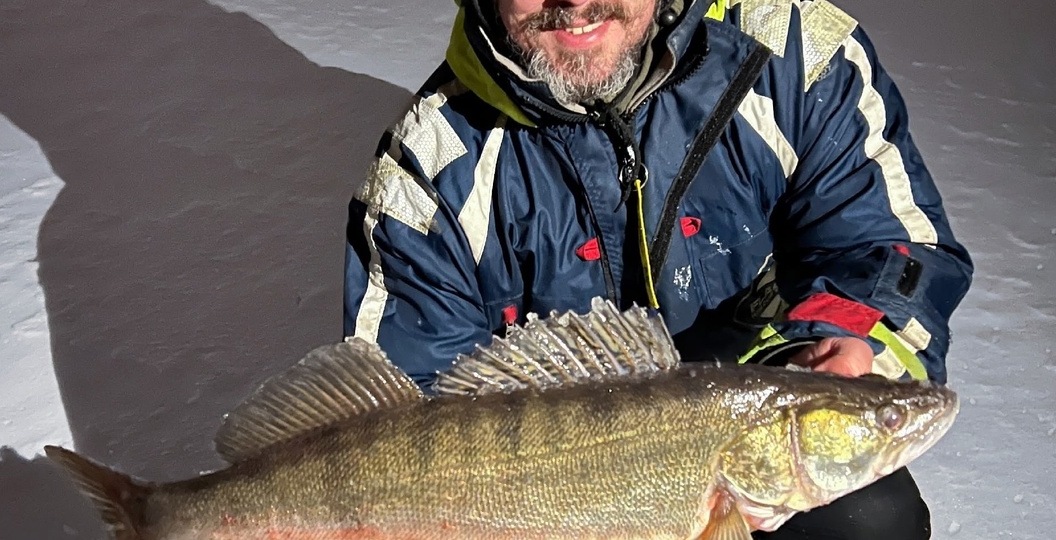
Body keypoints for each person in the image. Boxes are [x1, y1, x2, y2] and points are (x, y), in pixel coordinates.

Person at [343, 0, 973, 538]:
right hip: (529, 481)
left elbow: (883, 245)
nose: (575, 0)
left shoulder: (792, 55)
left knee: (870, 520)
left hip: (759, 375)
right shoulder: (426, 173)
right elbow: (405, 398)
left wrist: (844, 337)